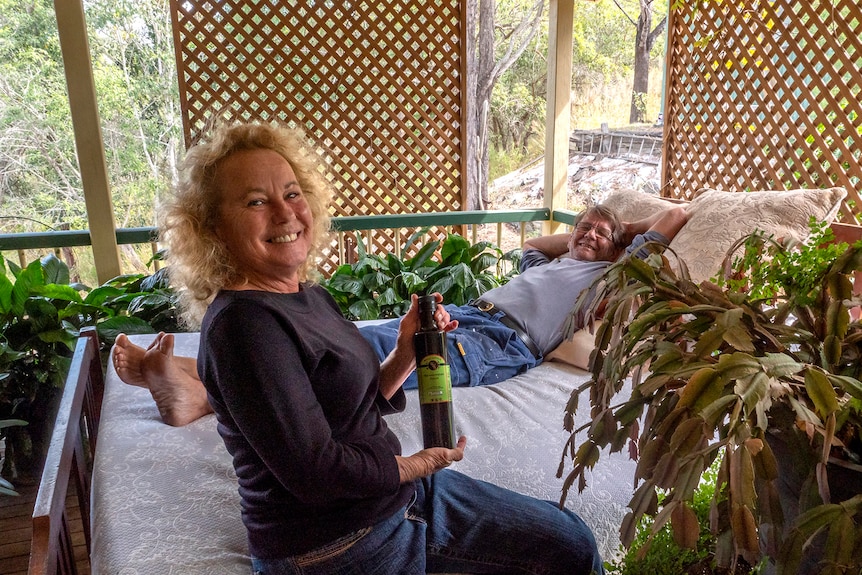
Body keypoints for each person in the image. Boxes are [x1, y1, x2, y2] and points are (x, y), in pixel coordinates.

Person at [128, 120, 605, 575]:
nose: (285, 212)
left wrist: (405, 354)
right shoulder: (243, 327)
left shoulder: (305, 294)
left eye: (292, 193)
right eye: (256, 202)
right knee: (568, 552)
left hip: (387, 498)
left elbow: (351, 406)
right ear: (212, 229)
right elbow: (316, 471)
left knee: (573, 542)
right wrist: (415, 464)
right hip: (333, 543)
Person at [114, 200, 688, 420]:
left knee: (366, 365)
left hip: (502, 345)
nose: (584, 235)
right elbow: (535, 246)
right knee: (344, 337)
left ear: (620, 248)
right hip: (468, 312)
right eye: (580, 228)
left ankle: (206, 394)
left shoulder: (614, 271)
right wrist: (591, 227)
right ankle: (199, 375)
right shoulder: (550, 263)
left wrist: (617, 232)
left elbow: (676, 217)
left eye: (597, 233)